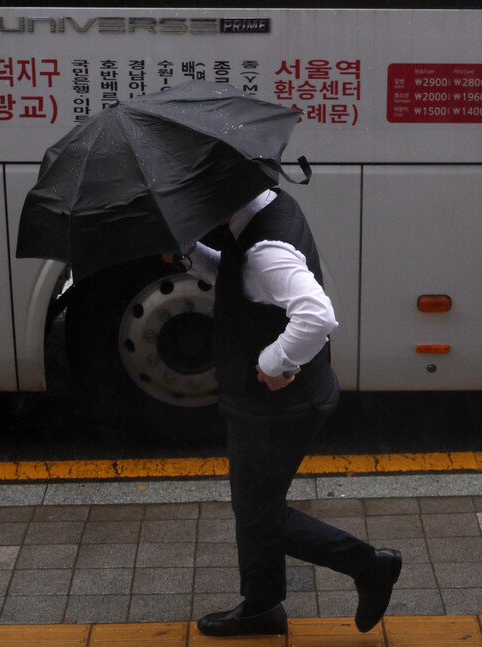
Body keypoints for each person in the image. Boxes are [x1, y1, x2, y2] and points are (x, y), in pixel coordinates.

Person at [168, 187, 402, 637]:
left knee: (258, 516)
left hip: (276, 406)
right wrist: (189, 255)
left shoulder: (265, 247)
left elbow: (316, 315)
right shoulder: (264, 207)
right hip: (268, 403)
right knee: (257, 507)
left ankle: (369, 566)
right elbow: (244, 280)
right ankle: (261, 606)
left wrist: (272, 363)